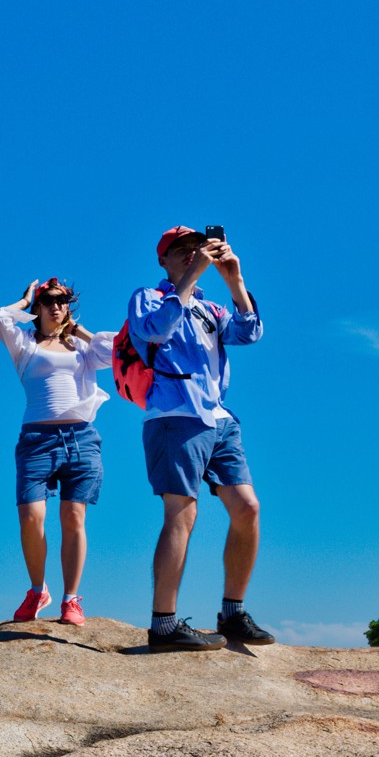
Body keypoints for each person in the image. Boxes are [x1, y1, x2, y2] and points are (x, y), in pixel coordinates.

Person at [126, 227, 275, 651]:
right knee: (183, 513)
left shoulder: (211, 307)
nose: (192, 255)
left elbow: (249, 333)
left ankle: (232, 613)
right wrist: (191, 278)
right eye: (182, 252)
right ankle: (164, 623)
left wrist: (234, 279)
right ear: (164, 260)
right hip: (175, 415)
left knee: (247, 508)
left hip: (220, 418)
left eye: (197, 249)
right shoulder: (148, 297)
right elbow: (154, 332)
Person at [0, 278, 116, 626]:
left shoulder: (81, 348)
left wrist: (79, 329)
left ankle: (71, 599)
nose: (55, 306)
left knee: (74, 518)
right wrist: (24, 301)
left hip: (81, 439)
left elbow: (120, 353)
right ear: (39, 307)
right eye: (47, 301)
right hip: (36, 441)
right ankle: (37, 590)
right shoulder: (24, 345)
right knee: (31, 518)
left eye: (62, 301)